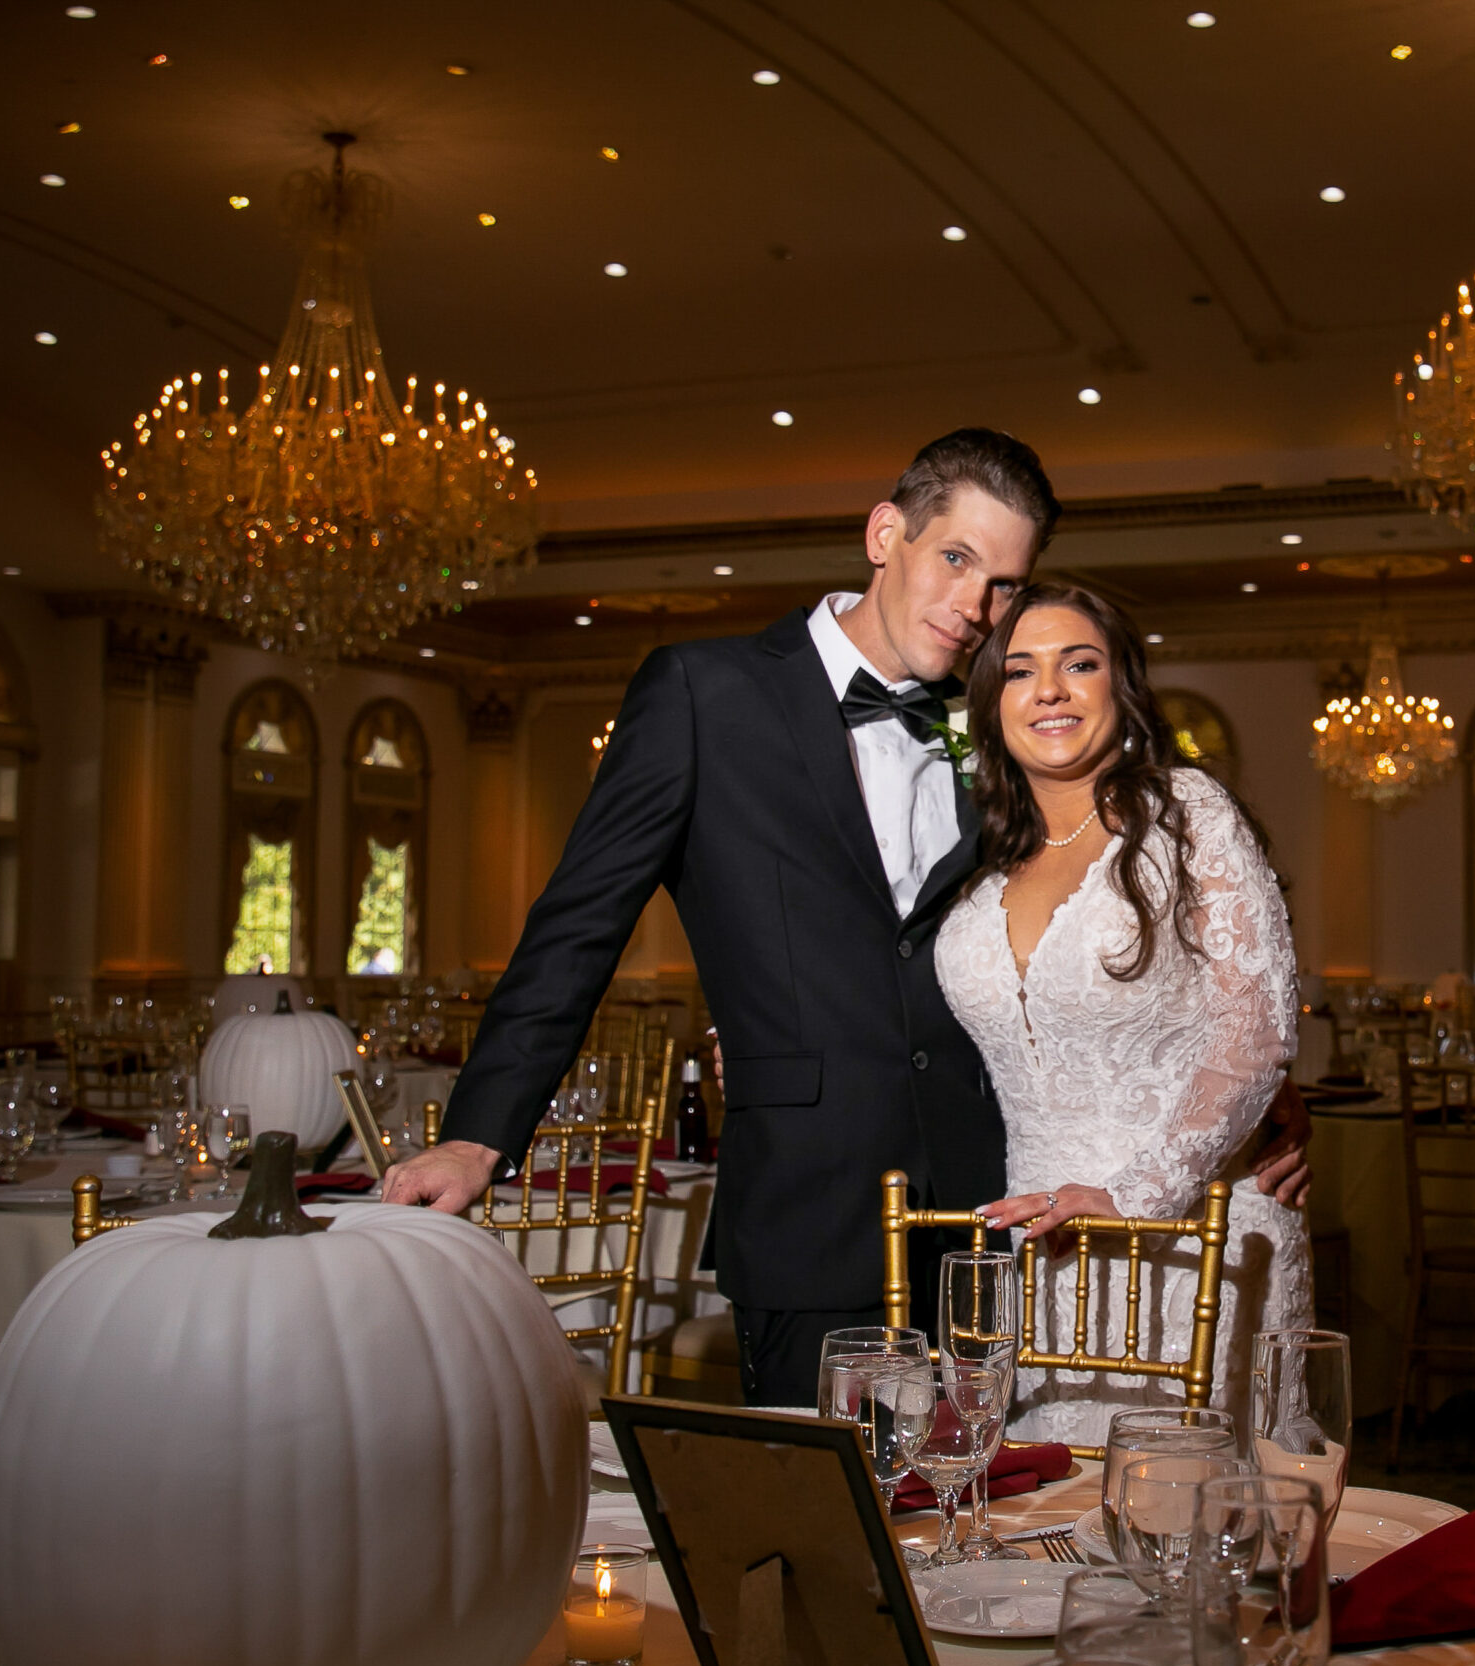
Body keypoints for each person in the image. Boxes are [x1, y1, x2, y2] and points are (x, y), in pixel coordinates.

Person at [382, 428, 1305, 1405]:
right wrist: (480, 1133)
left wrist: (1265, 1100)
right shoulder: (704, 692)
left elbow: (1124, 936)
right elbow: (576, 925)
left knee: (988, 1522)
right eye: (957, 559)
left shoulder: (994, 730)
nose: (975, 607)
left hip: (991, 1223)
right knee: (828, 1539)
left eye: (1003, 584)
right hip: (808, 1207)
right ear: (883, 535)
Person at [937, 584, 1308, 1446]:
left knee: (1199, 1533)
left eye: (1080, 664)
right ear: (992, 706)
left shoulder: (1187, 816)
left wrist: (1134, 1196)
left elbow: (1256, 1026)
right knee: (1047, 1530)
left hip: (1193, 1240)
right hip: (1044, 1254)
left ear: (1123, 687)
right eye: (1020, 670)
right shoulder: (982, 855)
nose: (1051, 690)